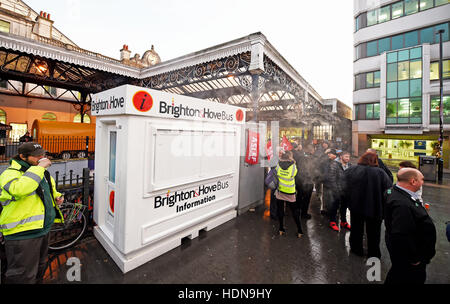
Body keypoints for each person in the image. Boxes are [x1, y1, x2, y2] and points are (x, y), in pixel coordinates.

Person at [0, 142, 64, 284]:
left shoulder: (41, 172)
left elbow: (49, 190)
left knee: (40, 267)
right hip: (22, 233)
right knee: (22, 275)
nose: (41, 158)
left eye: (43, 154)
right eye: (37, 156)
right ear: (23, 156)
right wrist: (40, 167)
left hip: (43, 229)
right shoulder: (10, 174)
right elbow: (21, 189)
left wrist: (57, 197)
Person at [384, 168, 436, 284]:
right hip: (410, 260)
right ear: (413, 181)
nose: (423, 182)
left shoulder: (394, 191)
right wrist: (414, 258)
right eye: (422, 179)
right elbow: (401, 234)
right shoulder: (402, 205)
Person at [343, 152, 392, 257]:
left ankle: (356, 249)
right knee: (374, 233)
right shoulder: (380, 173)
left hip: (356, 206)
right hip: (375, 207)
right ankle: (373, 253)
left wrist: (348, 200)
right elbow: (388, 190)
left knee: (356, 229)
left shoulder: (352, 170)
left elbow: (343, 186)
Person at [275, 151, 303, 238]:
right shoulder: (293, 166)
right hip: (290, 192)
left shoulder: (278, 165)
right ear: (290, 157)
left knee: (280, 210)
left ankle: (281, 229)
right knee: (294, 211)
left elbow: (277, 174)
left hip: (280, 191)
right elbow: (294, 175)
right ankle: (299, 230)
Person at [328, 151, 352, 232]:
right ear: (341, 157)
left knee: (344, 207)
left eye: (348, 157)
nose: (348, 159)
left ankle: (343, 222)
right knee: (335, 206)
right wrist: (335, 190)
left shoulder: (350, 165)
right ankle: (332, 222)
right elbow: (331, 178)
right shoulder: (334, 164)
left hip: (346, 190)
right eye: (346, 157)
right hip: (337, 190)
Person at [294, 144, 315, 220]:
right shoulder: (311, 159)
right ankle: (304, 213)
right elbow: (312, 171)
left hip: (299, 180)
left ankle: (297, 211)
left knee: (299, 196)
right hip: (307, 182)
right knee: (306, 198)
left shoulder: (300, 157)